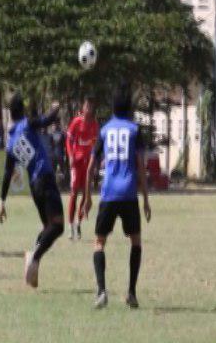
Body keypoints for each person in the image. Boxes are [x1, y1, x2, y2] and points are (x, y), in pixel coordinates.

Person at [84, 85, 152, 310]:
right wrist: (146, 199)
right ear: (129, 108)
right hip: (129, 194)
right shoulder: (134, 130)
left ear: (112, 108)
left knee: (99, 243)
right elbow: (141, 167)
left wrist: (87, 197)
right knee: (136, 241)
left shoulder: (104, 131)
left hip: (109, 193)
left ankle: (102, 291)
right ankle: (131, 293)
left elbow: (91, 166)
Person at [0, 95, 62, 288]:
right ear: (22, 110)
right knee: (58, 226)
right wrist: (56, 107)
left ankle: (33, 261)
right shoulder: (28, 124)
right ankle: (34, 257)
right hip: (45, 178)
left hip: (34, 186)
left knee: (47, 227)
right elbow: (48, 120)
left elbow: (7, 173)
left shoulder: (10, 143)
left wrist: (2, 201)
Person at [66, 96, 100, 240]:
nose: (88, 109)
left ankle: (79, 223)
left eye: (90, 107)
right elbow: (69, 139)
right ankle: (70, 226)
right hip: (77, 163)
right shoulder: (76, 122)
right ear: (83, 107)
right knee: (74, 193)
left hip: (88, 164)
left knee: (86, 195)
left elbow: (97, 144)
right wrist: (70, 155)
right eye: (86, 106)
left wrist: (97, 161)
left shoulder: (95, 125)